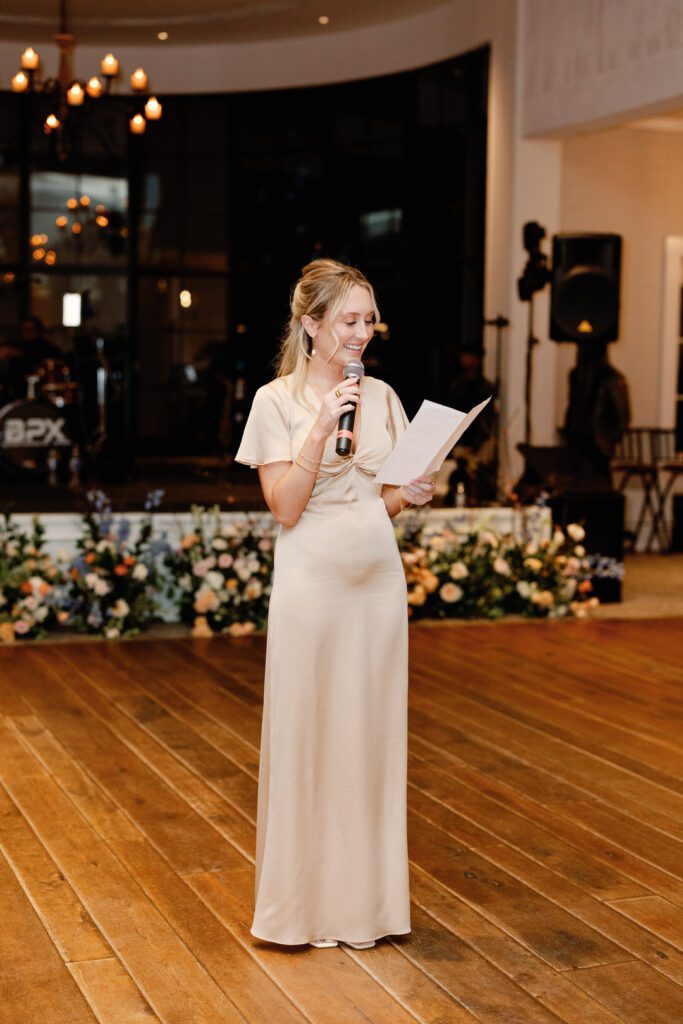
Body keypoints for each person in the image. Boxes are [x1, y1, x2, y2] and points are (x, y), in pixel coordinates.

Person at [235, 259, 435, 949]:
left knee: (367, 736)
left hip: (376, 582)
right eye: (347, 320)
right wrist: (320, 429)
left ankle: (366, 909)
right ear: (311, 325)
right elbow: (286, 507)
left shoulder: (382, 397)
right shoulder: (275, 401)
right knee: (309, 735)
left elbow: (373, 502)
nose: (361, 332)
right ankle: (298, 911)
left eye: (368, 319)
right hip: (311, 586)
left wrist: (407, 495)